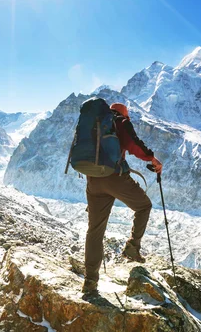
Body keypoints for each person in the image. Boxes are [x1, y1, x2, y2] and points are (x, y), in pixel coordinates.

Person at [82, 102, 163, 294]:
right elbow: (134, 145)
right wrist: (152, 159)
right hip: (114, 178)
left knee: (94, 231)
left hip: (93, 180)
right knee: (144, 206)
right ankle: (132, 248)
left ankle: (89, 283)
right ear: (123, 114)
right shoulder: (120, 121)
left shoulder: (93, 123)